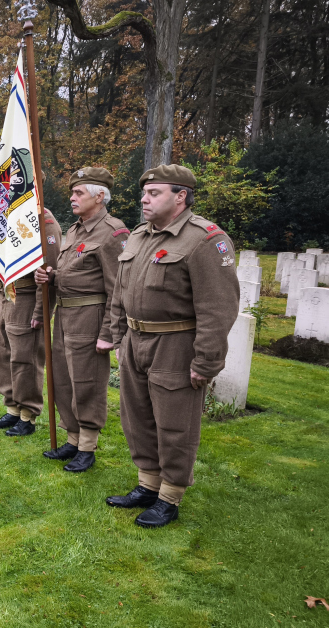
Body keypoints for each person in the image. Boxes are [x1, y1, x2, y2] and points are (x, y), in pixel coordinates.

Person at [106, 164, 239, 528]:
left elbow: (218, 306)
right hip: (136, 340)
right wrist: (119, 337)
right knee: (137, 417)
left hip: (175, 343)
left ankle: (170, 496)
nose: (144, 200)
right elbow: (120, 292)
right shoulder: (138, 236)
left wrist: (206, 361)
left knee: (175, 423)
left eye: (154, 193)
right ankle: (148, 484)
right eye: (144, 193)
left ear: (180, 196)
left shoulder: (205, 239)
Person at [34, 167, 129, 472]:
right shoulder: (74, 230)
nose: (72, 197)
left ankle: (87, 445)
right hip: (65, 314)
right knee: (63, 379)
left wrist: (109, 332)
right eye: (72, 192)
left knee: (86, 382)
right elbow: (72, 270)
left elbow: (119, 287)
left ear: (100, 196)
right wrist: (49, 276)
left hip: (90, 317)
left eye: (79, 193)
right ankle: (73, 439)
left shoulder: (114, 232)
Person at [0, 207, 62, 436]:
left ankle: (27, 414)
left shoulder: (42, 221)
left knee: (25, 359)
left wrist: (41, 311)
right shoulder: (7, 218)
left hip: (27, 298)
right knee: (3, 356)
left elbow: (49, 270)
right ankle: (12, 408)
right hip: (6, 298)